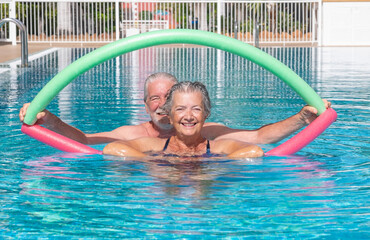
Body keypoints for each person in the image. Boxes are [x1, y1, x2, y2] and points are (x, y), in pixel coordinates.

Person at [19, 72, 331, 145]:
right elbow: (84, 142)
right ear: (145, 106)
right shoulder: (132, 135)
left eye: (170, 96)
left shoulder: (209, 131)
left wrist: (303, 118)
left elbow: (261, 137)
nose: (163, 104)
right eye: (155, 98)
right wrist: (48, 119)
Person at [103, 81, 264, 158]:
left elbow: (255, 151)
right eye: (180, 109)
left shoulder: (219, 147)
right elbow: (112, 148)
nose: (188, 116)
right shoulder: (154, 146)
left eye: (196, 109)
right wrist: (154, 164)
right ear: (170, 116)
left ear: (206, 114)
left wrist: (214, 169)